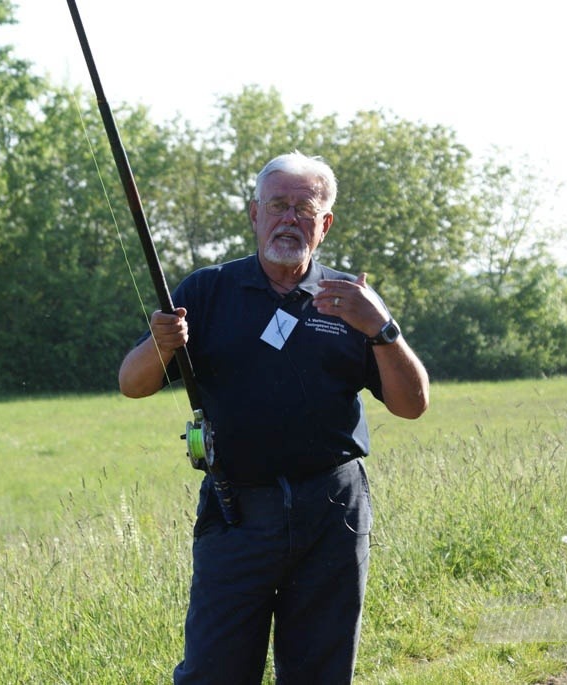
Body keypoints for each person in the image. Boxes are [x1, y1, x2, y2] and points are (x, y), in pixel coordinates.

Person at [118, 151, 429, 684]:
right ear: (253, 214)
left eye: (303, 209)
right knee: (214, 671)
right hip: (236, 509)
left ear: (324, 223)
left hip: (332, 511)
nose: (288, 219)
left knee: (320, 672)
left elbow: (412, 404)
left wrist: (382, 327)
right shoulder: (207, 291)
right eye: (277, 205)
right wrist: (162, 343)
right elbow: (133, 382)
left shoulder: (351, 301)